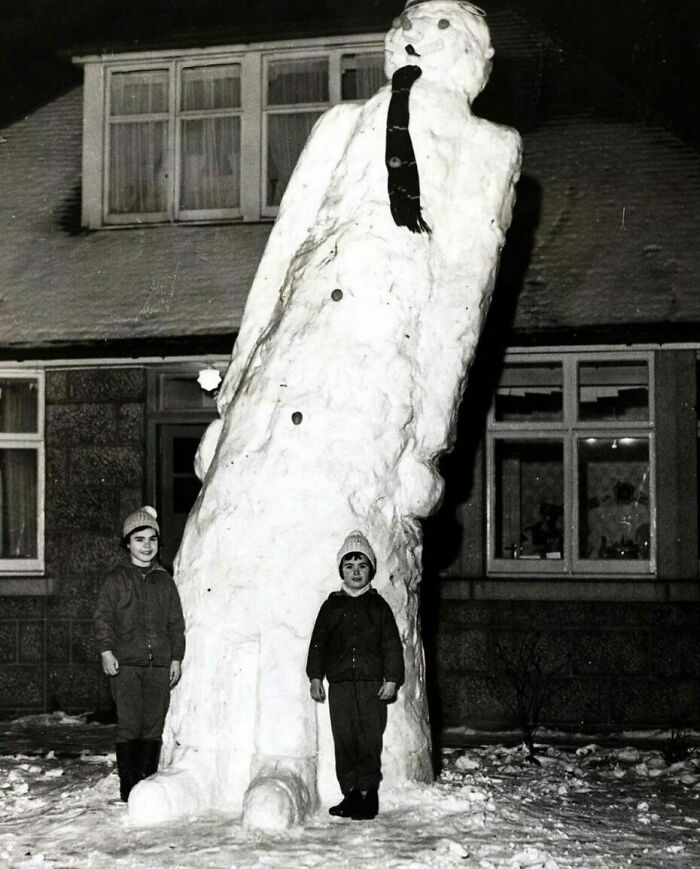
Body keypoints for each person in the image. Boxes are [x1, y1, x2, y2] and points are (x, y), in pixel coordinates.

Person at [306, 530, 404, 820]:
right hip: (340, 686)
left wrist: (391, 678)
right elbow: (318, 643)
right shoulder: (331, 606)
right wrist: (314, 676)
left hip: (371, 686)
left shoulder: (378, 607)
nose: (356, 572)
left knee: (368, 738)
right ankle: (350, 793)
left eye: (362, 566)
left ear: (371, 569)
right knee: (345, 739)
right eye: (349, 566)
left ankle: (368, 794)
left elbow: (391, 645)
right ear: (341, 571)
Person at [94, 506, 185, 802]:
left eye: (152, 539)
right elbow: (103, 617)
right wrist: (107, 651)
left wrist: (175, 657)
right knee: (131, 724)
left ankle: (146, 787)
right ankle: (129, 788)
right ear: (127, 544)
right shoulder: (116, 580)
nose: (147, 546)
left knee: (152, 726)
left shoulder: (164, 581)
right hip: (126, 666)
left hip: (158, 665)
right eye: (139, 539)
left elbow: (175, 622)